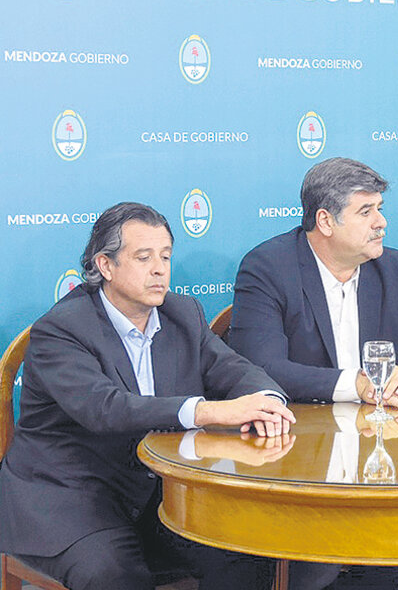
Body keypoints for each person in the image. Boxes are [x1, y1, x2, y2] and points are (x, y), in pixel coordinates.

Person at [0, 202, 296, 590]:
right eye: (144, 257)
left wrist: (267, 399)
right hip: (71, 495)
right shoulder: (62, 329)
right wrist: (208, 412)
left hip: (158, 492)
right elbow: (106, 408)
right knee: (116, 575)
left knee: (244, 550)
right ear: (105, 265)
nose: (159, 269)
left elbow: (231, 368)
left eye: (166, 256)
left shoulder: (181, 313)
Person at [231, 157, 398, 589]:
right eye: (366, 211)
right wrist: (356, 385)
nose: (382, 222)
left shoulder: (395, 268)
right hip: (297, 463)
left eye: (380, 209)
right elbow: (260, 365)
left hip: (379, 461)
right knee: (316, 567)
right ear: (325, 221)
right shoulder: (268, 268)